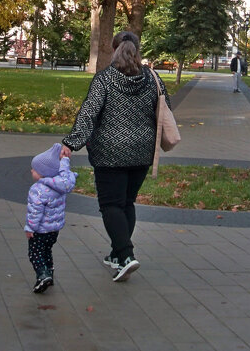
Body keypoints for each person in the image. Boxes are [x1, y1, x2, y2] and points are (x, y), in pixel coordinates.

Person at [60, 30, 170, 283]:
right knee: (127, 203)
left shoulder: (105, 79)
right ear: (137, 49)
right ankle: (116, 254)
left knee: (111, 205)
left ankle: (126, 255)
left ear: (113, 49)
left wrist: (71, 143)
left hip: (109, 152)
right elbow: (165, 111)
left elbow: (89, 113)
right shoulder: (153, 79)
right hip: (142, 151)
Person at [25, 142, 76, 293]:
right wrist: (65, 160)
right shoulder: (60, 185)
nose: (32, 171)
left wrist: (30, 228)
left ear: (43, 173)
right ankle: (50, 272)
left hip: (40, 230)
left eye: (34, 169)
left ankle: (42, 275)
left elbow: (35, 211)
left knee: (35, 253)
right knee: (47, 250)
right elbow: (64, 173)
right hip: (54, 229)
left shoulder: (38, 190)